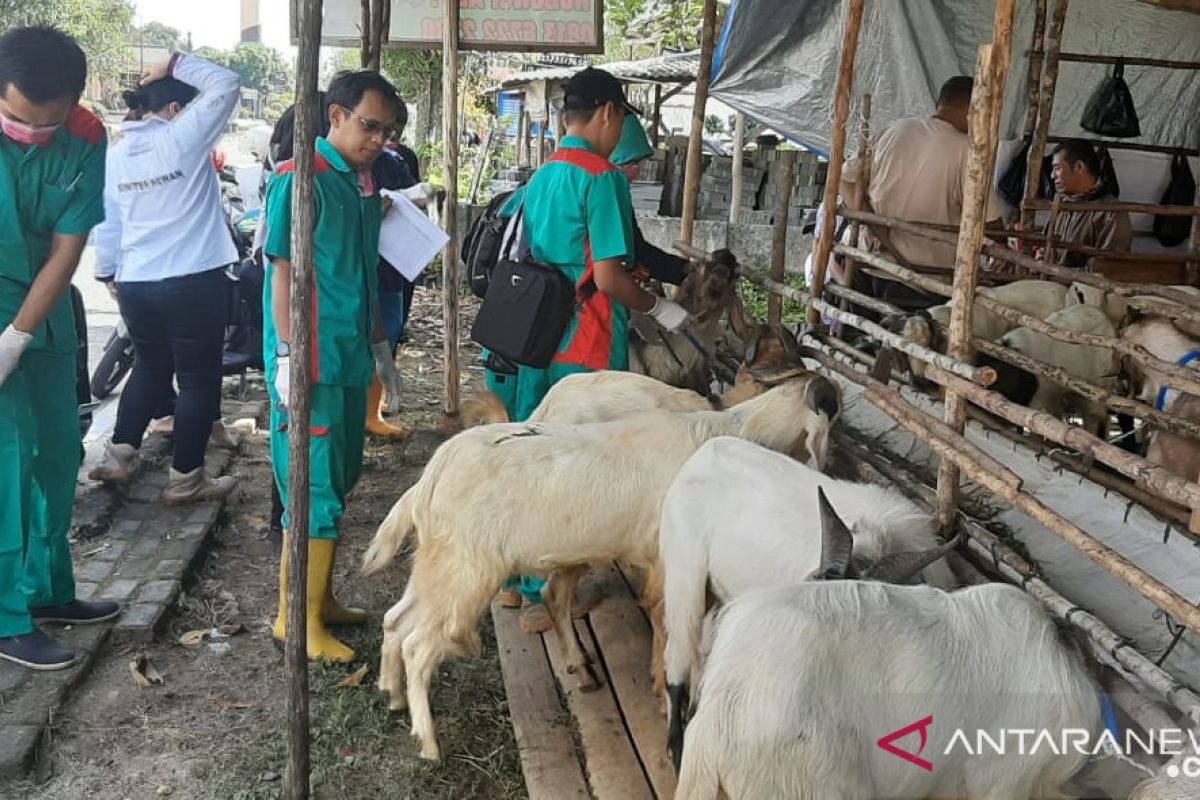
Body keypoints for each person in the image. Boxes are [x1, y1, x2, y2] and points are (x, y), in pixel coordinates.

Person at [487, 68, 690, 632]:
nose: (619, 127)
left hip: (536, 335)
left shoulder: (544, 174)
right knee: (573, 463)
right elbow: (608, 277)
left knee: (531, 449)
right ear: (608, 113)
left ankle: (510, 580)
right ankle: (543, 591)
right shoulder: (602, 179)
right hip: (586, 342)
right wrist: (658, 308)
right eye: (622, 117)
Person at [264, 70, 405, 662]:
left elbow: (362, 277)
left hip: (348, 359)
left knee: (340, 482)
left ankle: (317, 600)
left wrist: (380, 351)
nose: (378, 139)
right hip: (313, 365)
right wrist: (289, 356)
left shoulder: (359, 185)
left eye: (388, 131)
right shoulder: (303, 180)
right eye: (370, 125)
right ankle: (293, 621)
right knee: (313, 491)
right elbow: (281, 270)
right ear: (337, 116)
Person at [0, 27, 120, 670]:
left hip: (44, 310)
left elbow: (69, 248)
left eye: (48, 124)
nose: (33, 134)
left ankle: (48, 590)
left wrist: (18, 335)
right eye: (18, 120)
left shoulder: (87, 134)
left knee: (56, 449)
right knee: (8, 456)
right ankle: (5, 615)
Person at [89, 52, 242, 503]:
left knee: (149, 366)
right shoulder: (181, 139)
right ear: (177, 110)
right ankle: (187, 479)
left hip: (136, 283)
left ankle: (119, 454)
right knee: (198, 379)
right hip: (192, 280)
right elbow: (227, 83)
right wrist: (174, 62)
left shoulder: (115, 156)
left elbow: (107, 223)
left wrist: (107, 273)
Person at [839, 76, 1003, 296]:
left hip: (867, 265)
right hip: (920, 279)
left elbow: (844, 181)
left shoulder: (894, 129)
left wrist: (871, 222)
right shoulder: (968, 152)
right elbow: (991, 223)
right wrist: (1006, 243)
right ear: (975, 110)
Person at [1041, 138, 1132, 270]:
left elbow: (1110, 266)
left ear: (1079, 167)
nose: (1052, 176)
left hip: (1085, 287)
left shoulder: (1111, 211)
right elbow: (1045, 248)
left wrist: (1059, 273)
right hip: (1053, 282)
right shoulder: (1062, 204)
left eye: (1057, 168)